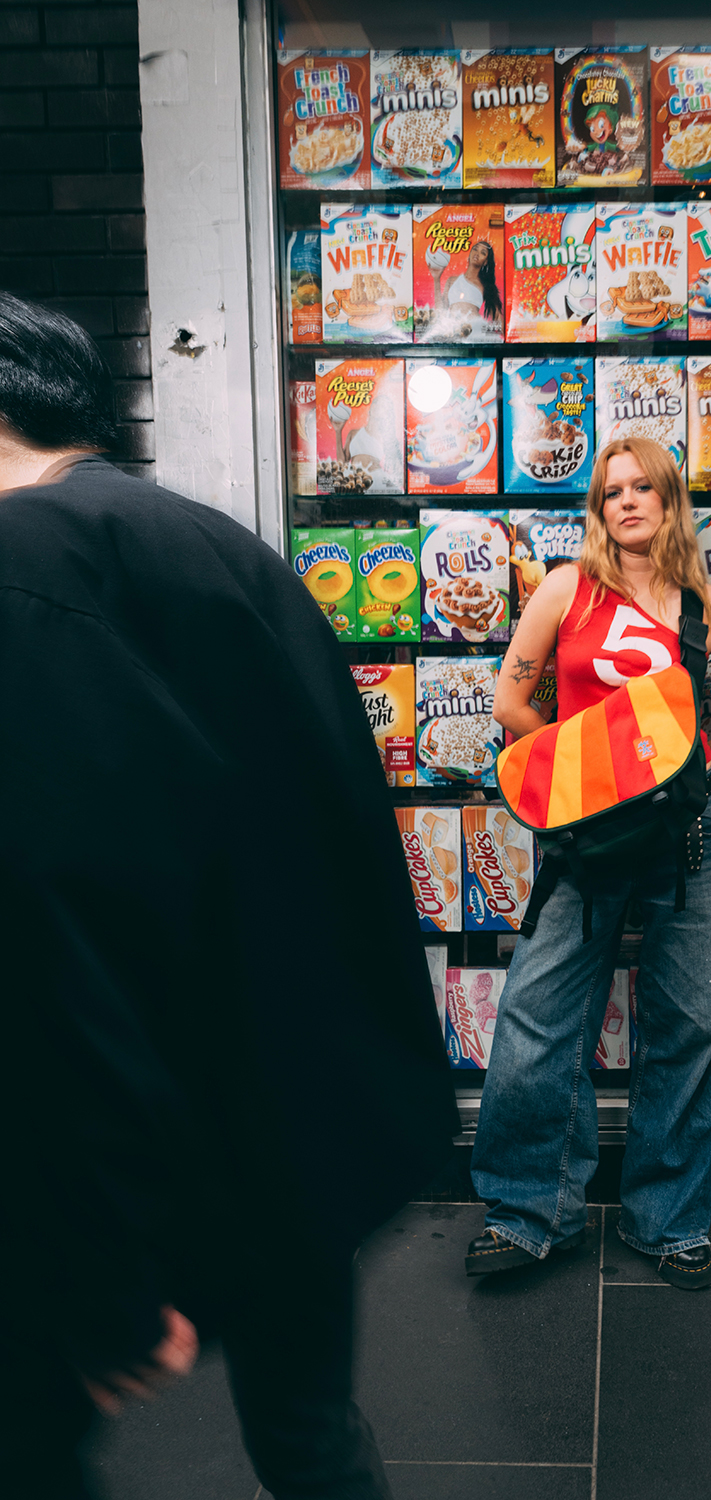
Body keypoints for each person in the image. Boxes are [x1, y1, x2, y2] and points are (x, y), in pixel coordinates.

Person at [0, 293, 459, 1499]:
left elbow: (55, 924)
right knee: (310, 1434)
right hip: (298, 1120)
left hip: (147, 1142)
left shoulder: (21, 563)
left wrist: (102, 1265)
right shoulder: (229, 548)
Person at [465, 437, 711, 1289]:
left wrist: (697, 757)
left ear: (670, 500)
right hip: (585, 831)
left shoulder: (706, 607)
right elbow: (508, 701)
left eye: (645, 487)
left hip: (686, 834)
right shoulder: (567, 588)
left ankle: (667, 1222)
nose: (629, 502)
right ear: (598, 509)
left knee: (687, 1025)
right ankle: (529, 1215)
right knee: (537, 1014)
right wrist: (581, 765)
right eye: (613, 492)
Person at [426, 238, 502, 338]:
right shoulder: (452, 280)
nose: (477, 253)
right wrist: (436, 279)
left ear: (485, 262)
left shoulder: (486, 286)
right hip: (454, 333)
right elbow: (441, 310)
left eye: (483, 253)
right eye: (475, 249)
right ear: (470, 253)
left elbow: (499, 321)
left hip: (475, 333)